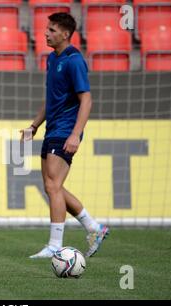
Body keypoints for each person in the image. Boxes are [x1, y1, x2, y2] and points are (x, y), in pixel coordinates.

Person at [21, 12, 109, 258]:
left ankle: (55, 246)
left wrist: (75, 134)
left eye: (51, 30)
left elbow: (87, 99)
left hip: (65, 131)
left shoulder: (74, 60)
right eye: (46, 29)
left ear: (66, 34)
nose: (46, 33)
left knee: (53, 186)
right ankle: (94, 227)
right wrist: (34, 125)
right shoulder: (52, 58)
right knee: (52, 186)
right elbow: (52, 99)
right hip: (52, 129)